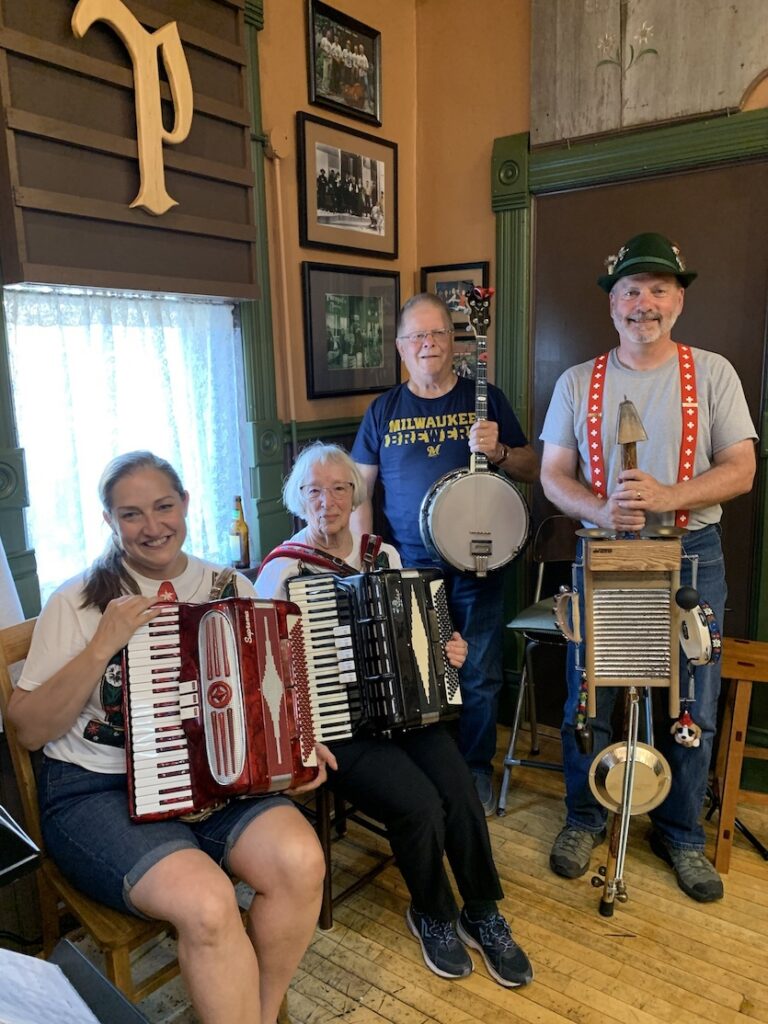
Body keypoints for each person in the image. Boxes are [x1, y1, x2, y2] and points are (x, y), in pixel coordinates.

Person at [7, 451, 333, 1024]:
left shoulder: (228, 583)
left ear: (185, 504)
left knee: (301, 861)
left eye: (163, 507)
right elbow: (29, 729)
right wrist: (102, 644)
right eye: (131, 514)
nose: (152, 526)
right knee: (209, 905)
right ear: (109, 521)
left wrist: (297, 747)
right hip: (96, 792)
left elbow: (266, 694)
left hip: (213, 778)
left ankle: (257, 1014)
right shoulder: (77, 600)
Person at [255, 442, 533, 989]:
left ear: (354, 494)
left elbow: (422, 639)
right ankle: (430, 911)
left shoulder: (384, 556)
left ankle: (481, 909)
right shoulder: (283, 572)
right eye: (315, 490)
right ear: (298, 499)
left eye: (339, 488)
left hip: (406, 715)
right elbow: (269, 678)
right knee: (420, 805)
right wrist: (306, 738)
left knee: (459, 788)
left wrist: (447, 652)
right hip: (341, 730)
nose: (328, 501)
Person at [540, 232, 757, 902]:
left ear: (679, 299)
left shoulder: (713, 373)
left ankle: (682, 832)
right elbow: (553, 475)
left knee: (691, 700)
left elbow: (742, 469)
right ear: (612, 305)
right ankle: (584, 817)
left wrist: (668, 496)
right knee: (589, 693)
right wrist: (600, 511)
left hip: (692, 553)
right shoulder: (579, 381)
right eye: (631, 290)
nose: (644, 303)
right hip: (603, 554)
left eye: (658, 288)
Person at [350, 293, 539, 815]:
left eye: (437, 334)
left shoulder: (486, 398)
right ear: (400, 347)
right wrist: (364, 561)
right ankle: (430, 767)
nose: (427, 344)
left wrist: (498, 450)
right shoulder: (383, 410)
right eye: (417, 337)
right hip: (410, 564)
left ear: (454, 342)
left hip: (479, 561)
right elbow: (359, 492)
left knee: (477, 670)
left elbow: (530, 469)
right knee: (419, 667)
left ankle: (475, 768)